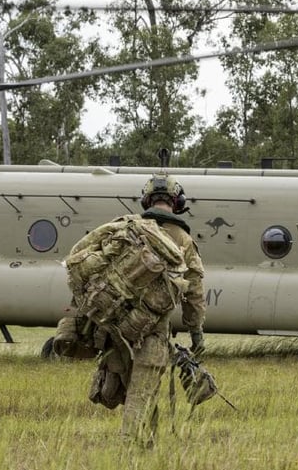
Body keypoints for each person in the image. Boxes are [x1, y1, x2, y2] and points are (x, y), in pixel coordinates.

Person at [119, 173, 207, 445]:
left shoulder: (128, 229)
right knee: (143, 389)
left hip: (117, 323)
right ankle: (128, 445)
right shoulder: (182, 239)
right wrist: (196, 330)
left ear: (146, 200)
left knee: (133, 386)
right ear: (177, 201)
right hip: (153, 327)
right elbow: (193, 289)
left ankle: (147, 440)